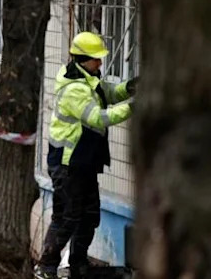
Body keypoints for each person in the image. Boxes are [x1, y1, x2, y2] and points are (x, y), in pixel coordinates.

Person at [37, 32, 138, 279]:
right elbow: (99, 117)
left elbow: (110, 93)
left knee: (89, 216)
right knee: (68, 217)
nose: (100, 64)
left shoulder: (88, 78)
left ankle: (78, 266)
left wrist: (131, 87)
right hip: (67, 162)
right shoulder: (74, 88)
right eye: (97, 59)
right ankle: (47, 267)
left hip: (83, 161)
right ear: (83, 59)